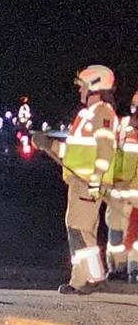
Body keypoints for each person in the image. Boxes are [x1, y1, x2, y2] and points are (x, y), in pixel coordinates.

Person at [34, 65, 117, 295]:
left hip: (88, 183)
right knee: (77, 229)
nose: (79, 90)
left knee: (80, 230)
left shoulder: (102, 113)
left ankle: (91, 277)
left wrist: (96, 180)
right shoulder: (86, 115)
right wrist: (48, 144)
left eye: (81, 86)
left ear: (94, 86)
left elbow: (106, 151)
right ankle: (80, 280)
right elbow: (75, 153)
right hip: (79, 181)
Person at [107, 90, 138, 280]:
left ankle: (131, 268)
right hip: (120, 189)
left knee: (132, 231)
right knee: (117, 228)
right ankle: (120, 268)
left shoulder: (124, 126)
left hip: (128, 191)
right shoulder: (124, 126)